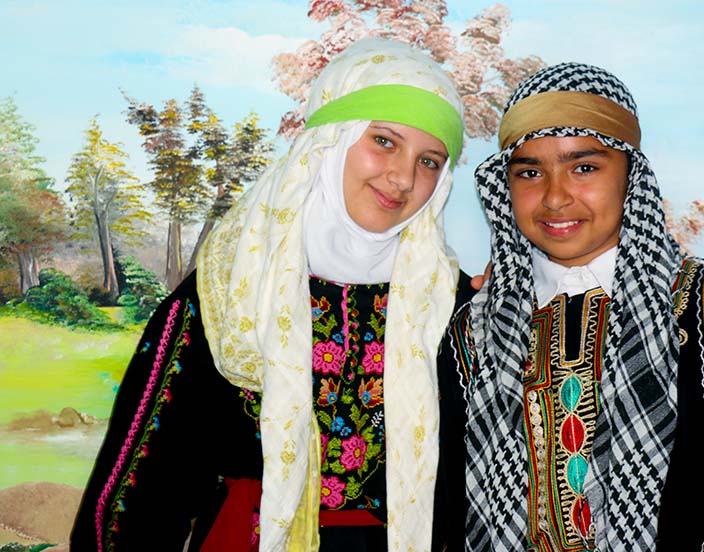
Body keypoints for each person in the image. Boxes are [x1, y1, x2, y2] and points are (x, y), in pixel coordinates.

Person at [71, 38, 476, 552]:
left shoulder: (449, 303)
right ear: (329, 140)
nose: (403, 178)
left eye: (430, 162)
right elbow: (144, 487)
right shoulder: (229, 288)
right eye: (384, 141)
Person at [435, 62, 704, 551]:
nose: (555, 197)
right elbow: (446, 516)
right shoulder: (473, 330)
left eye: (584, 167)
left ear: (631, 175)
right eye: (530, 172)